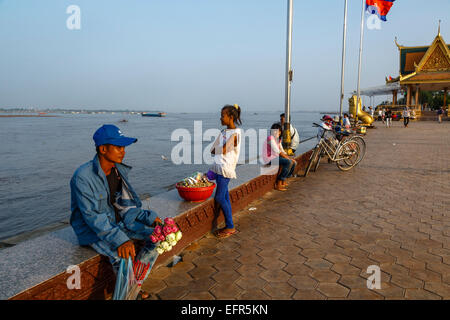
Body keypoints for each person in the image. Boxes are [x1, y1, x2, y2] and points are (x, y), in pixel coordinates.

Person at [70, 124, 162, 299]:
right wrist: (121, 240)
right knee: (123, 257)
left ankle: (133, 286)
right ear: (103, 149)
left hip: (118, 223)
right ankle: (128, 294)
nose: (123, 151)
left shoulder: (118, 171)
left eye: (124, 147)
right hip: (93, 231)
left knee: (158, 237)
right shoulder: (82, 176)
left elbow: (126, 205)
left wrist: (149, 217)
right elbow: (93, 218)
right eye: (118, 147)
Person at [210, 104, 242, 239]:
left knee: (219, 197)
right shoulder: (223, 132)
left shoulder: (235, 134)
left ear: (231, 117)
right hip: (218, 168)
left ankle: (230, 226)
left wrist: (220, 148)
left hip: (225, 170)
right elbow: (213, 150)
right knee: (225, 196)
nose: (220, 118)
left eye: (223, 116)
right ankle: (229, 224)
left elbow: (221, 150)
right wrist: (220, 148)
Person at [262, 123, 297, 192]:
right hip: (269, 158)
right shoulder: (270, 138)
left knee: (294, 162)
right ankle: (279, 182)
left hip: (276, 157)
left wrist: (288, 156)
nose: (277, 132)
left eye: (279, 131)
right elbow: (277, 150)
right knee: (288, 162)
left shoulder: (278, 139)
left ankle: (284, 179)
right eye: (275, 131)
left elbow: (282, 150)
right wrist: (288, 159)